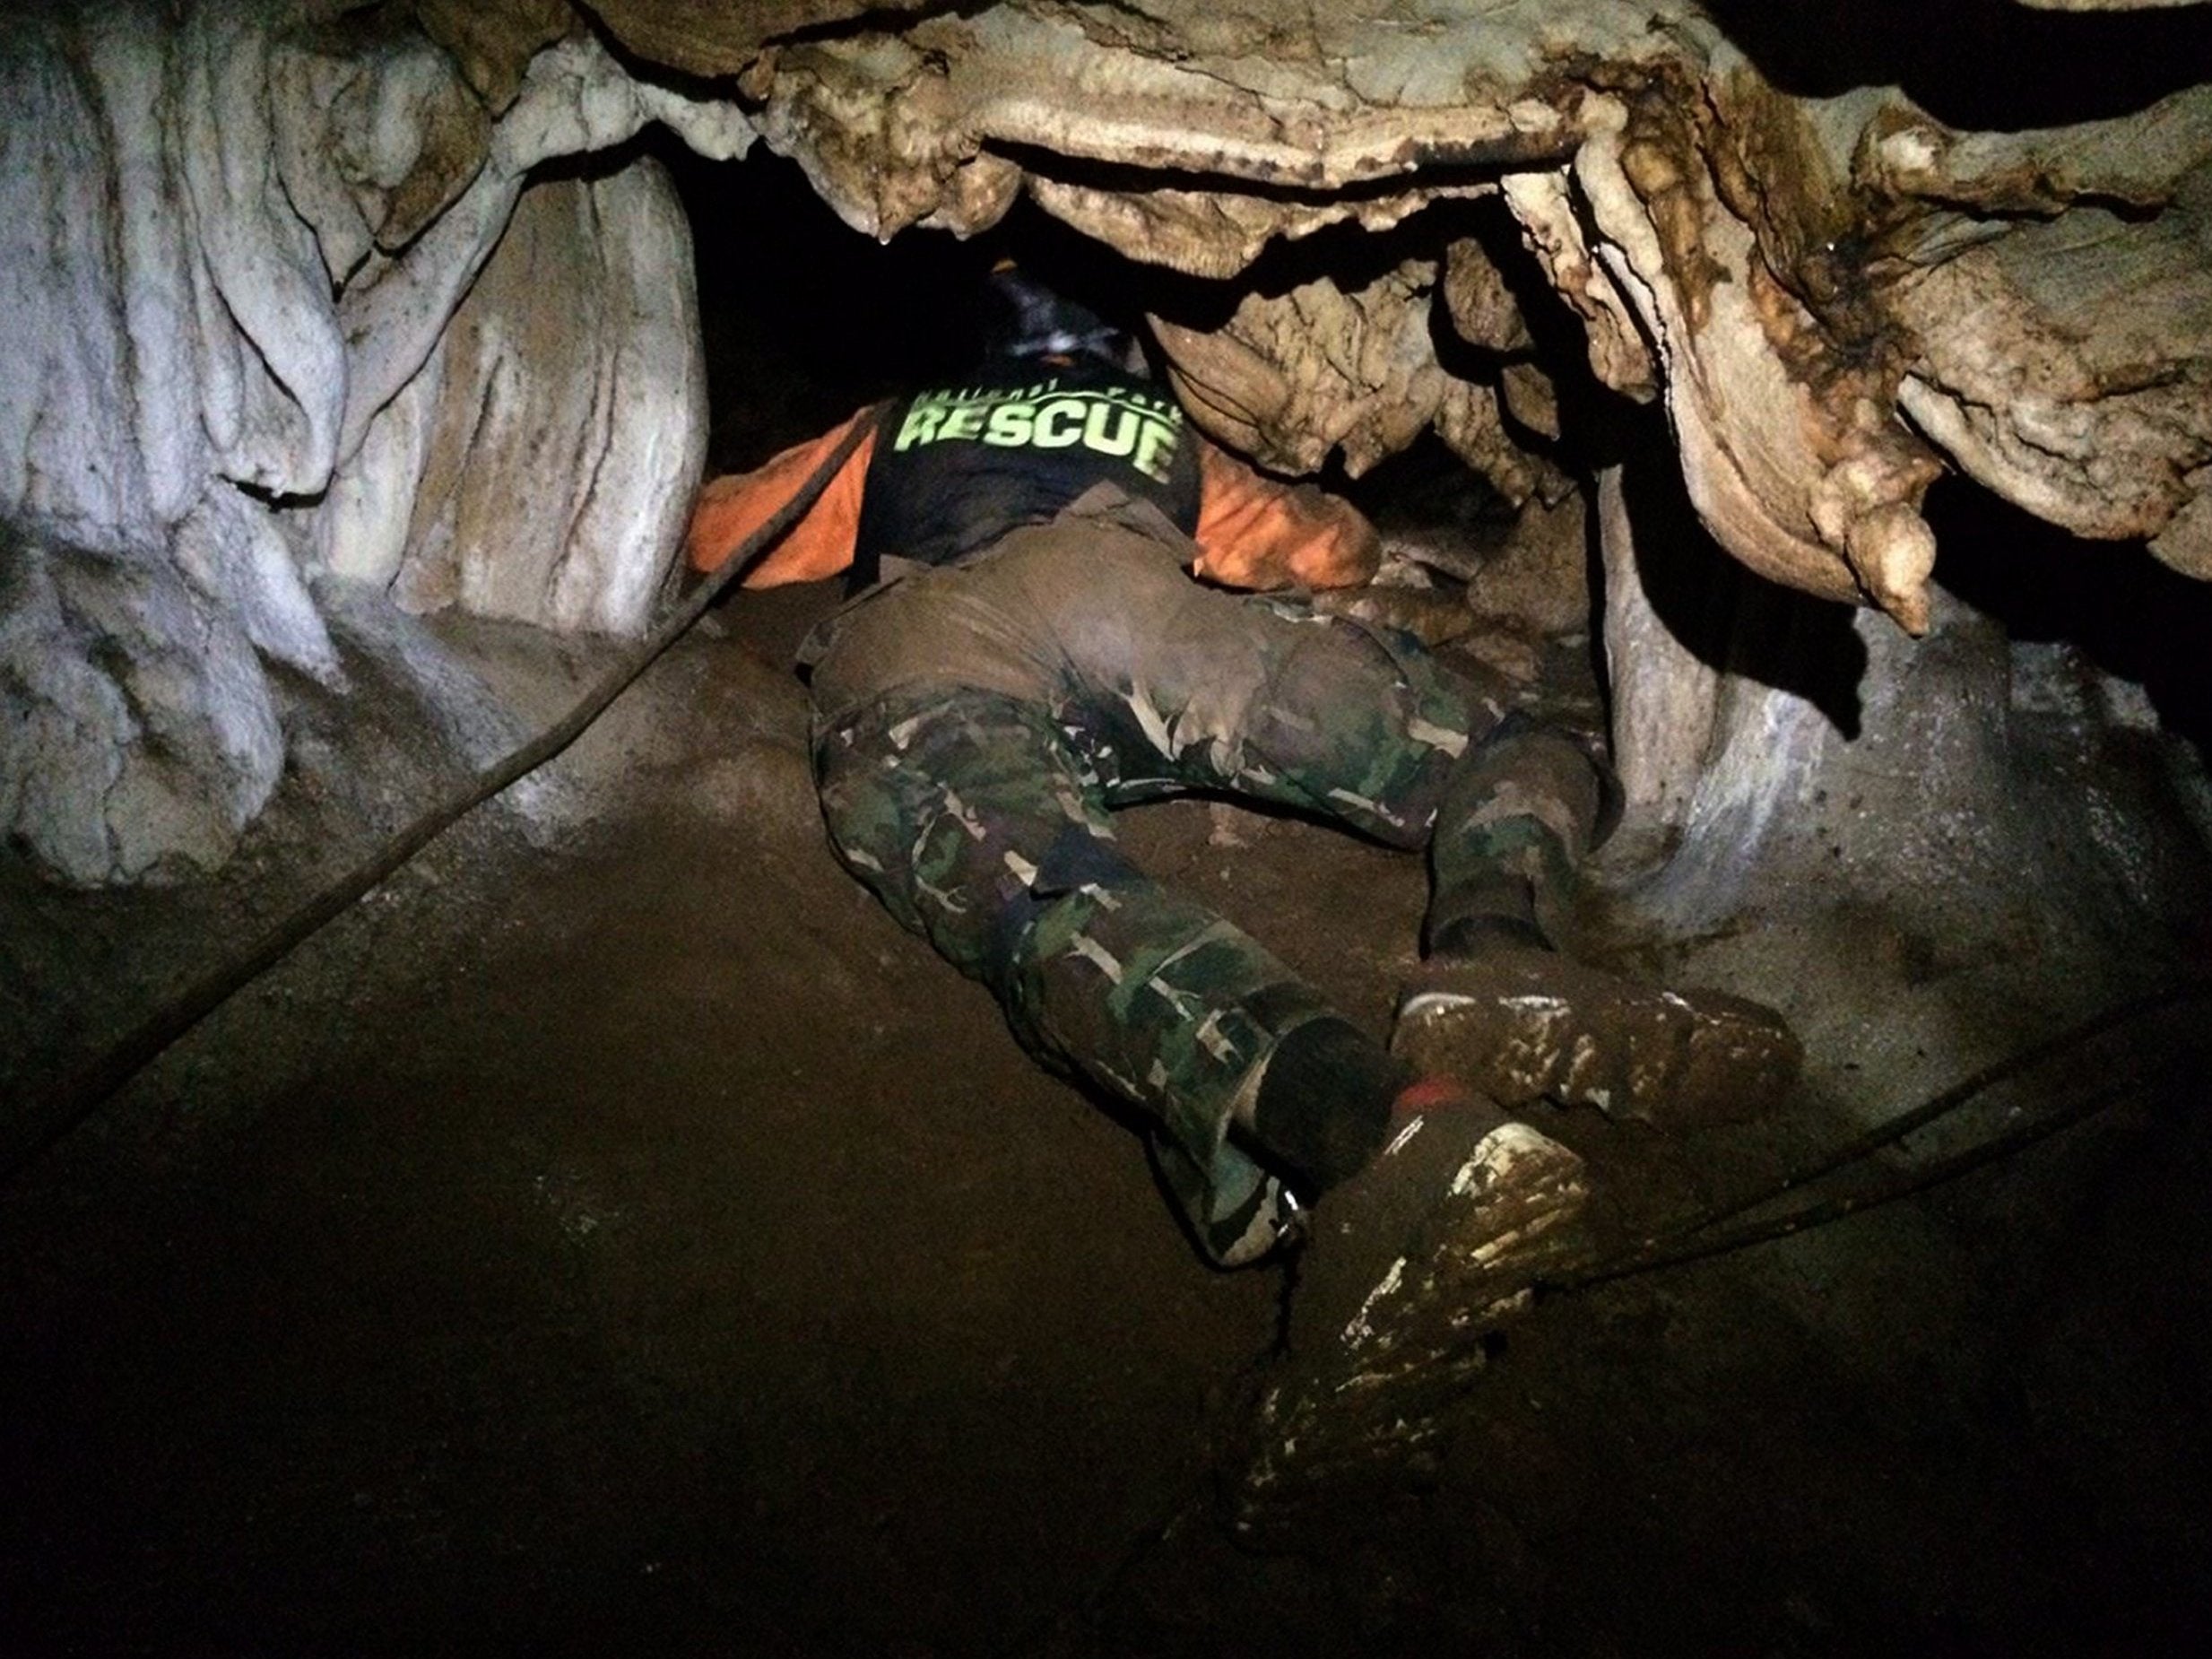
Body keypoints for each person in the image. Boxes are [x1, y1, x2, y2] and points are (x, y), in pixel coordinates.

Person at [684, 270, 1797, 1453]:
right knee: (1510, 743)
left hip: (936, 645)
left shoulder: (898, 421)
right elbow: (1322, 549)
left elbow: (719, 536)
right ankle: (1499, 951)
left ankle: (1389, 1134)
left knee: (1068, 900)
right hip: (1138, 609)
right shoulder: (1161, 426)